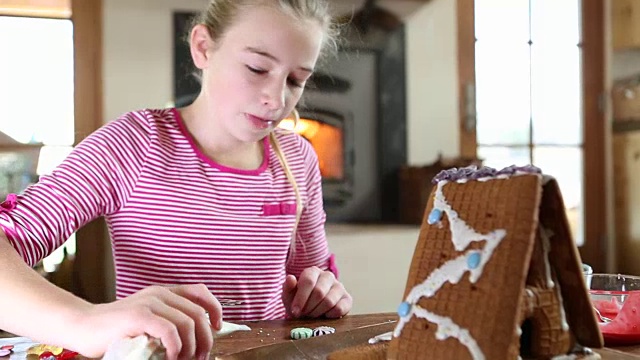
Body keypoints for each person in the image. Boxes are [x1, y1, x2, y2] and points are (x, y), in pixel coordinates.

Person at [0, 0, 352, 359]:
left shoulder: (298, 158)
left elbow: (312, 275)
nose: (277, 100)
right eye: (257, 68)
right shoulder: (133, 144)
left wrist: (322, 292)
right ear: (203, 47)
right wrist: (84, 321)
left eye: (296, 80)